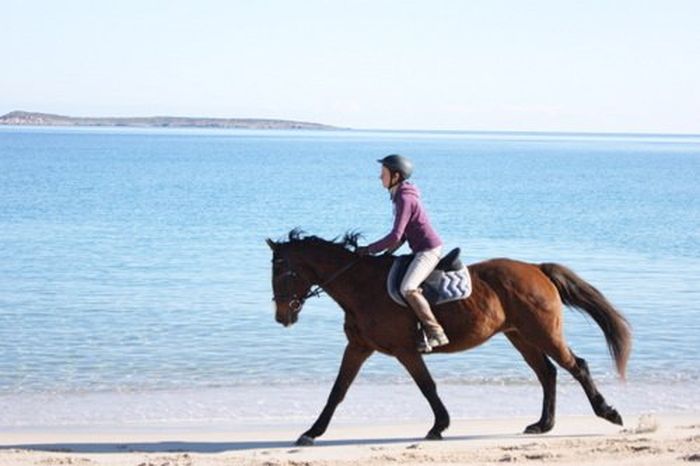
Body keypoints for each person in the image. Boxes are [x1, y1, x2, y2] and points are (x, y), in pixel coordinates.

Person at [357, 154, 449, 352]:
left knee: (408, 288)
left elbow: (395, 235)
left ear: (396, 176)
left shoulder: (405, 199)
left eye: (383, 173)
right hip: (418, 249)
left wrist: (368, 250)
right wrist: (386, 254)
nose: (380, 177)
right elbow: (402, 237)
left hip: (428, 250)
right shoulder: (399, 196)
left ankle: (435, 331)